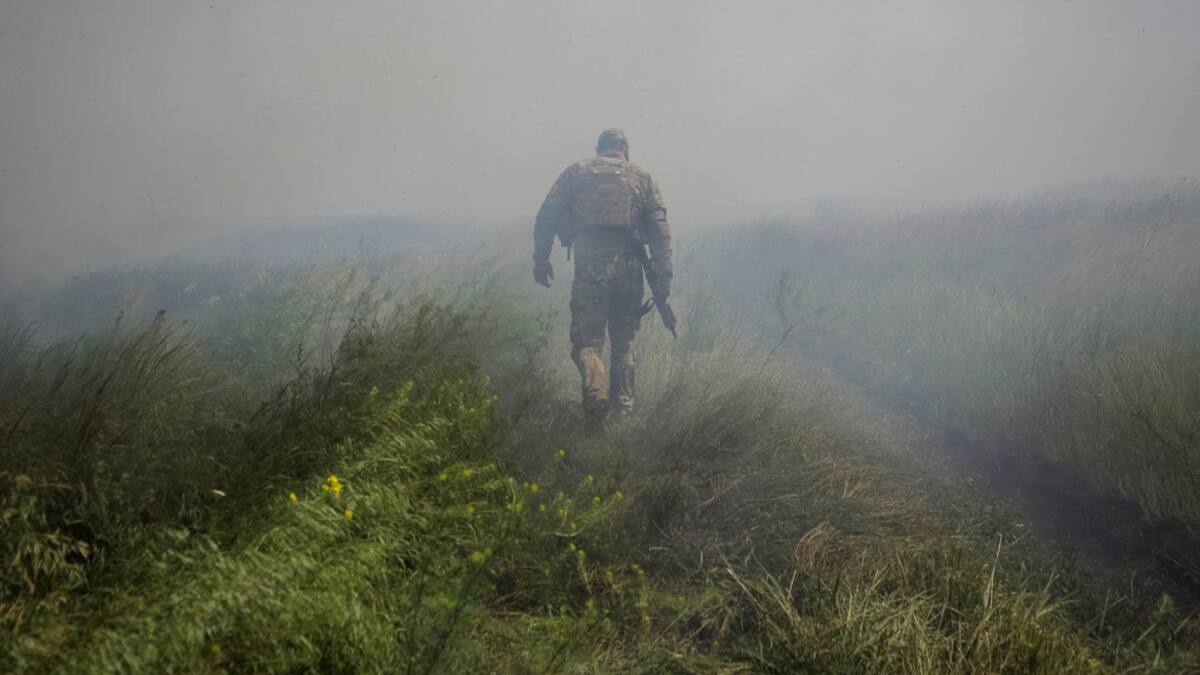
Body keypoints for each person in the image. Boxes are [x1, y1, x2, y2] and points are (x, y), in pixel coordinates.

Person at [532, 128, 673, 427]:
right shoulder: (642, 176)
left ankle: (595, 394)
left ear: (599, 149)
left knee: (588, 343)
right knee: (623, 343)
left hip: (591, 265)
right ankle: (621, 417)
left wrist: (541, 259)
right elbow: (660, 231)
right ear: (625, 150)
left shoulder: (577, 172)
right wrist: (663, 279)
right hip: (631, 267)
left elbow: (547, 214)